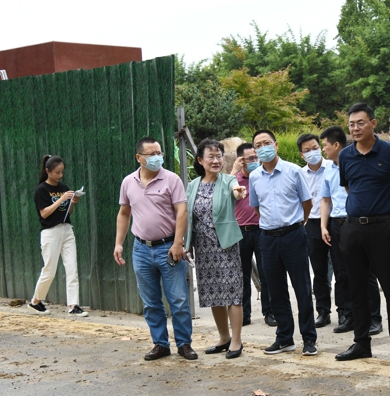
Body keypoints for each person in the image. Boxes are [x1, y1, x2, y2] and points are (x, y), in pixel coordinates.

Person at [335, 102, 390, 364]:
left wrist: (384, 212)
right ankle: (361, 343)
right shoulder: (345, 156)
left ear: (373, 123)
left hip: (382, 228)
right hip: (353, 228)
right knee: (356, 288)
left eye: (361, 123)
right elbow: (349, 188)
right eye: (351, 124)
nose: (355, 128)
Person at [114, 137, 197, 361]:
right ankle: (160, 344)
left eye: (159, 153)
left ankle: (184, 344)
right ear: (139, 158)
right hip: (141, 249)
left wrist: (178, 243)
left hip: (168, 248)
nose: (157, 157)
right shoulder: (128, 182)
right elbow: (124, 213)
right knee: (151, 302)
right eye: (151, 154)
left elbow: (182, 212)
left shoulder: (171, 179)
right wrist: (119, 243)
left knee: (178, 300)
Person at [249, 129, 318, 356]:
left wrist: (298, 224)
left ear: (276, 145)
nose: (263, 148)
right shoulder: (254, 177)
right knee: (276, 290)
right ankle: (284, 338)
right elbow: (257, 207)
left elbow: (307, 203)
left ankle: (309, 338)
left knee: (302, 288)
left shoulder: (293, 171)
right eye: (258, 145)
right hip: (268, 238)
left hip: (293, 235)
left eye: (266, 143)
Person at [186, 139, 247, 359]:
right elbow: (188, 216)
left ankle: (237, 341)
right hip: (203, 248)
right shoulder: (193, 185)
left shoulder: (229, 180)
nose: (216, 160)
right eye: (210, 156)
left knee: (232, 293)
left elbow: (235, 191)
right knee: (213, 293)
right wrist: (186, 244)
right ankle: (224, 337)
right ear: (200, 160)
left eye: (219, 156)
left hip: (226, 245)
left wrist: (239, 192)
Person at [319, 126, 382, 334]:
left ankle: (374, 317)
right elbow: (326, 200)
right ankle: (350, 316)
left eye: (325, 145)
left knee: (366, 272)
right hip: (336, 224)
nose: (323, 150)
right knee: (342, 273)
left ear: (336, 145)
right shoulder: (328, 169)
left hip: (356, 222)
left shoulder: (355, 163)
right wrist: (324, 226)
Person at [29, 155, 87, 317]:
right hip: (50, 231)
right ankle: (35, 301)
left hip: (66, 228)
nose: (60, 175)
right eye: (57, 172)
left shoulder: (64, 187)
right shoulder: (41, 189)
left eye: (62, 172)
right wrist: (61, 199)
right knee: (50, 269)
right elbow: (44, 213)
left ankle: (73, 305)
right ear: (48, 171)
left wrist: (72, 202)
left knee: (72, 268)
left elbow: (68, 212)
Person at [230, 143, 276, 327]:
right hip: (240, 232)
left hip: (262, 229)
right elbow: (220, 196)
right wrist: (233, 171)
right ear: (241, 160)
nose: (255, 161)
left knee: (267, 273)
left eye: (256, 157)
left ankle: (269, 312)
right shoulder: (233, 180)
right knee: (242, 275)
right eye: (250, 159)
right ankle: (244, 314)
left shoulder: (262, 176)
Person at [298, 133, 334, 328]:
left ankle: (346, 311)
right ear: (301, 155)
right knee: (319, 270)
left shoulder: (333, 167)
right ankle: (323, 311)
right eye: (307, 150)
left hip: (334, 220)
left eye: (315, 148)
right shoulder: (300, 174)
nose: (312, 152)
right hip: (312, 223)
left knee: (342, 268)